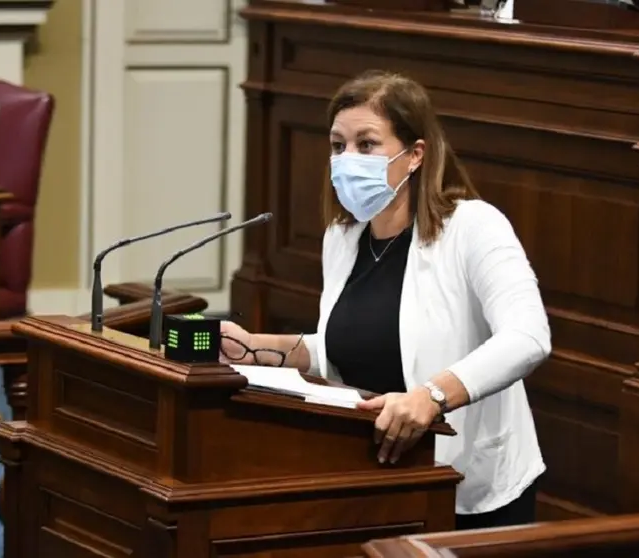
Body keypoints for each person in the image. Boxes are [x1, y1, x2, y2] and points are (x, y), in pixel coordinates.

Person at [220, 70, 551, 530]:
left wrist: (433, 396)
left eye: (367, 144)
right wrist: (256, 348)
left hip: (466, 487)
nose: (347, 159)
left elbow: (528, 337)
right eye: (338, 146)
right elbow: (343, 345)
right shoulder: (343, 236)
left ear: (415, 154)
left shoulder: (474, 227)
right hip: (369, 478)